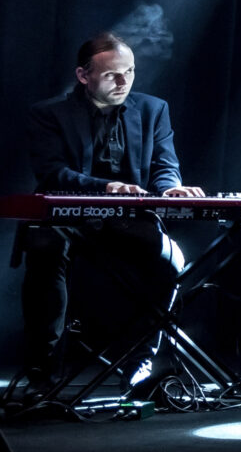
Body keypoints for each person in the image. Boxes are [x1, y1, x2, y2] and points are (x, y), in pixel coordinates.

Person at [12, 33, 204, 387]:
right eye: (111, 74)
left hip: (127, 219)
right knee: (45, 249)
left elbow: (164, 165)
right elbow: (52, 173)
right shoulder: (48, 114)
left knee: (171, 260)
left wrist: (170, 188)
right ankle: (42, 366)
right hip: (67, 218)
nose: (123, 81)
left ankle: (140, 361)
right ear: (83, 75)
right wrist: (106, 187)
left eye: (129, 72)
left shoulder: (154, 109)